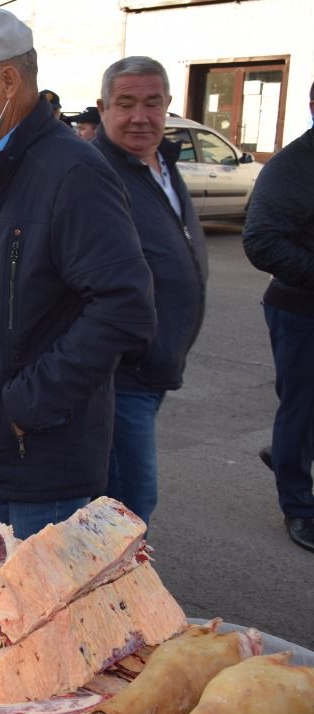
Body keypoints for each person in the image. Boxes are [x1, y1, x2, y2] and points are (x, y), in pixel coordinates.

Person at [0, 5, 156, 538]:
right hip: (9, 435)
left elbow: (124, 306)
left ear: (9, 80)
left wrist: (31, 402)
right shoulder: (3, 162)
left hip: (41, 443)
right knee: (5, 596)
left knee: (39, 607)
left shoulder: (70, 171)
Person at [92, 56, 208, 526]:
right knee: (129, 501)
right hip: (123, 376)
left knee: (122, 500)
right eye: (126, 104)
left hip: (155, 364)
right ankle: (109, 596)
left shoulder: (161, 162)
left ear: (168, 106)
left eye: (152, 103)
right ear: (103, 108)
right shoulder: (95, 172)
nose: (141, 116)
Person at [242, 79, 314, 553]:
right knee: (301, 407)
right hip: (300, 311)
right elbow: (260, 241)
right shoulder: (293, 168)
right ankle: (299, 507)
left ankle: (289, 453)